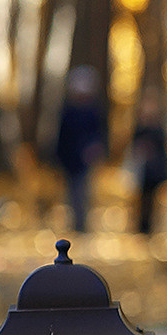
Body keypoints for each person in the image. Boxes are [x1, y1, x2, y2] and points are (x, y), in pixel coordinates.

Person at [53, 66, 106, 234]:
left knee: (82, 191)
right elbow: (62, 137)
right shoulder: (68, 111)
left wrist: (95, 149)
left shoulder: (92, 112)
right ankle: (76, 223)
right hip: (69, 160)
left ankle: (81, 224)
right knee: (72, 193)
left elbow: (98, 135)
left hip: (84, 160)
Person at [127, 91, 167, 237]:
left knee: (152, 200)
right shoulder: (140, 128)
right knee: (140, 199)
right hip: (141, 170)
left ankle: (149, 227)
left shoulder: (158, 129)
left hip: (154, 171)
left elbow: (163, 149)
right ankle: (140, 226)